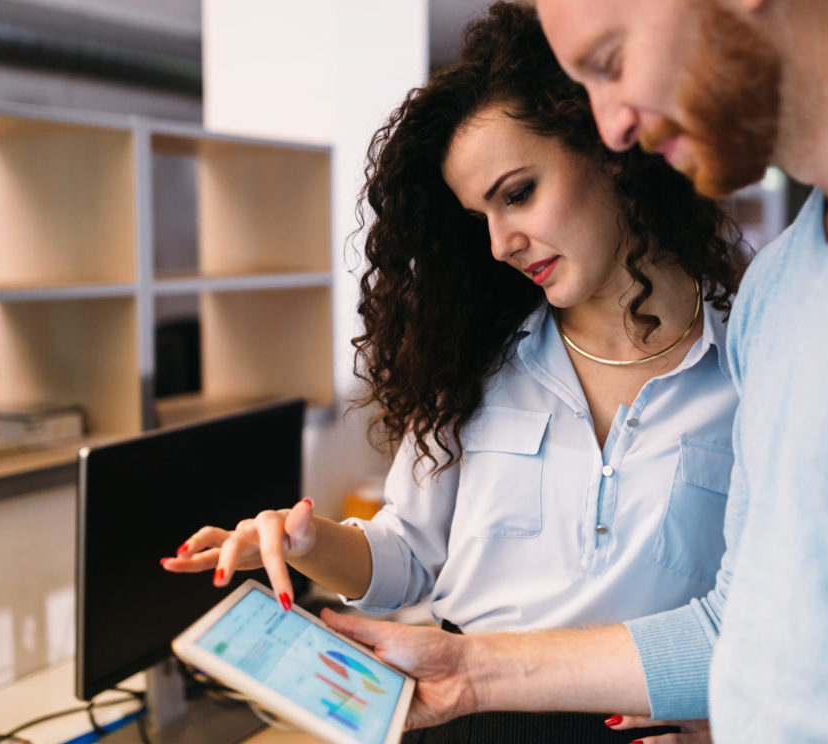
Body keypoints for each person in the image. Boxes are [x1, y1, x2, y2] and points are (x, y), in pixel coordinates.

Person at [319, 0, 828, 742]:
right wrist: (473, 673)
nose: (612, 130)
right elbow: (740, 624)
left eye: (610, 63)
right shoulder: (782, 286)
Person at [163, 3, 748, 741]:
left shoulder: (750, 357)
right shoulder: (480, 360)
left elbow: (764, 605)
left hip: (645, 720)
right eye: (481, 218)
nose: (503, 242)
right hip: (466, 710)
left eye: (518, 193)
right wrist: (310, 542)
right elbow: (409, 557)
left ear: (609, 148)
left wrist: (732, 717)